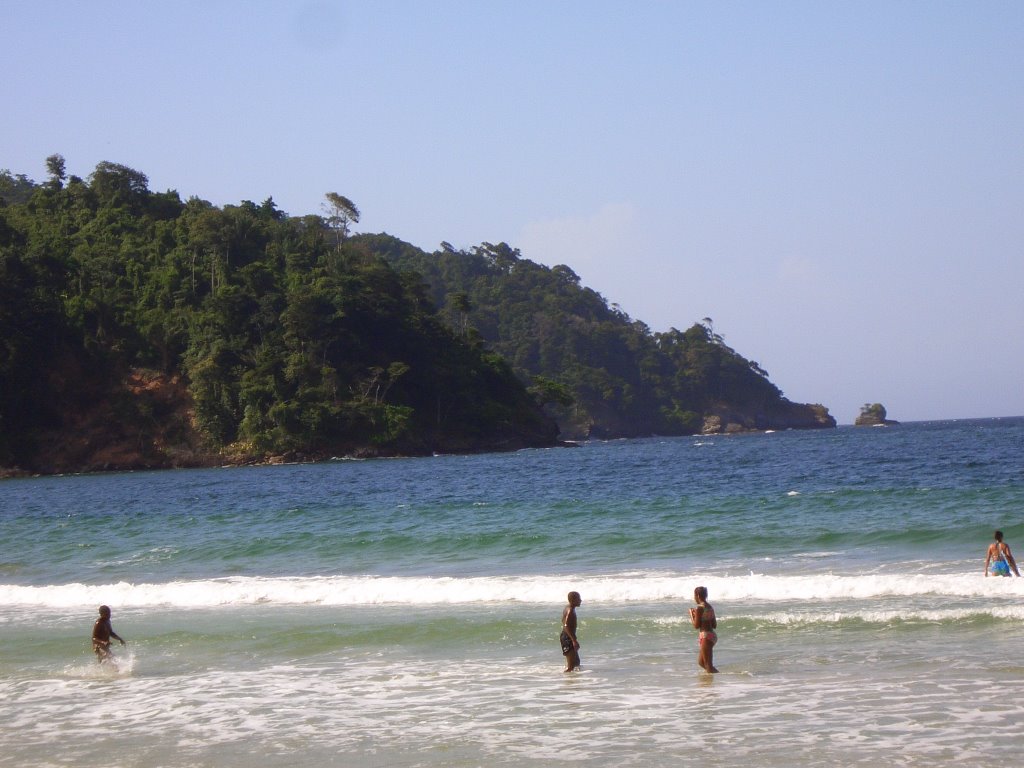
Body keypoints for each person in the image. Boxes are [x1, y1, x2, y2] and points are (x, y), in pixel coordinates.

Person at [688, 586, 718, 673]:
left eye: (694, 596)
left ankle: (714, 683)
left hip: (705, 636)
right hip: (711, 635)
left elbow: (696, 626)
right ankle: (713, 679)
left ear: (697, 595)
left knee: (708, 665)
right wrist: (696, 615)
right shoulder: (710, 607)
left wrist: (691, 614)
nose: (694, 598)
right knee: (701, 662)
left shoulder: (699, 608)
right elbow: (714, 625)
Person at [560, 591, 582, 672]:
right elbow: (566, 626)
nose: (580, 600)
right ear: (573, 600)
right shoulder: (570, 611)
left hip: (566, 636)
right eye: (578, 599)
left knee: (577, 663)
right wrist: (573, 640)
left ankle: (574, 682)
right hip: (567, 638)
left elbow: (563, 621)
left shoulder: (568, 608)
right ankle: (566, 681)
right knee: (571, 666)